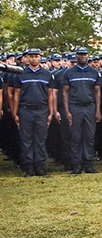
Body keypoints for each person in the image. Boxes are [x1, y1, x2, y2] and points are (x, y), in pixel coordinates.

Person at [12, 49, 56, 177]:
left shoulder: (47, 74)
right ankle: (28, 167)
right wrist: (15, 113)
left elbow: (51, 95)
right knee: (26, 140)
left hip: (42, 110)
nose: (34, 59)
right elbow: (16, 95)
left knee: (40, 139)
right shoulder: (21, 74)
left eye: (36, 56)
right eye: (31, 56)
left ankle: (40, 166)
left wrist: (51, 112)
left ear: (40, 58)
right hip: (25, 110)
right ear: (27, 58)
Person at [61, 47, 102, 174]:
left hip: (90, 107)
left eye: (84, 54)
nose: (82, 56)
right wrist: (67, 111)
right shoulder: (69, 72)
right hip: (75, 107)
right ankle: (76, 164)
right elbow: (65, 93)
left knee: (89, 136)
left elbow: (97, 93)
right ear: (76, 56)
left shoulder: (94, 72)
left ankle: (89, 163)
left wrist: (98, 110)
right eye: (80, 54)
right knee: (76, 137)